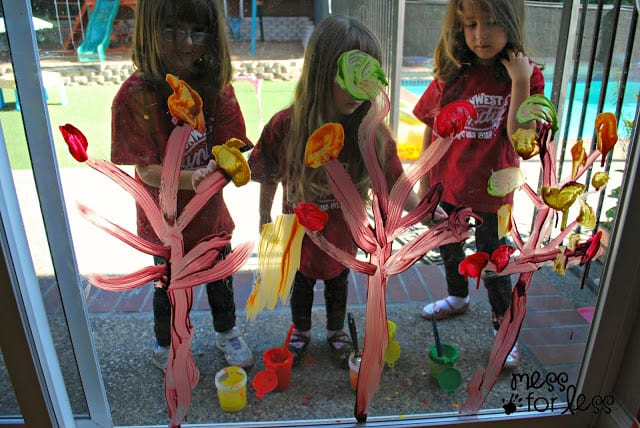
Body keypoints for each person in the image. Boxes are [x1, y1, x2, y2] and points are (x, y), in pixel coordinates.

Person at [248, 15, 415, 369]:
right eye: (350, 78)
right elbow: (268, 173)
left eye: (368, 78)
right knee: (302, 287)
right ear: (322, 73)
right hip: (299, 238)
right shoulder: (286, 126)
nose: (360, 90)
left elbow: (398, 182)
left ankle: (337, 330)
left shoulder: (370, 133)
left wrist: (429, 212)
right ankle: (302, 330)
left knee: (339, 285)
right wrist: (264, 216)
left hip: (342, 238)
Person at [111, 0, 254, 372]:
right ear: (150, 32)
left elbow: (232, 144)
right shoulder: (135, 95)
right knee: (169, 289)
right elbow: (147, 172)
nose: (187, 43)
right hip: (165, 224)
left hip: (210, 219)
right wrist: (195, 178)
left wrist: (226, 164)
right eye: (172, 30)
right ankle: (168, 344)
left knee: (219, 281)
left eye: (198, 31)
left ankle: (227, 332)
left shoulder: (216, 88)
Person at [413, 0, 545, 367]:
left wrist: (519, 80)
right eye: (470, 24)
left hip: (493, 192)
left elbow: (523, 140)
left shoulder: (527, 76)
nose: (480, 35)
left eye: (489, 23)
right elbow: (431, 127)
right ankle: (457, 297)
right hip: (449, 184)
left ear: (510, 22)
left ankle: (503, 327)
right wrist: (426, 186)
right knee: (450, 248)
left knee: (494, 260)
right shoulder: (453, 71)